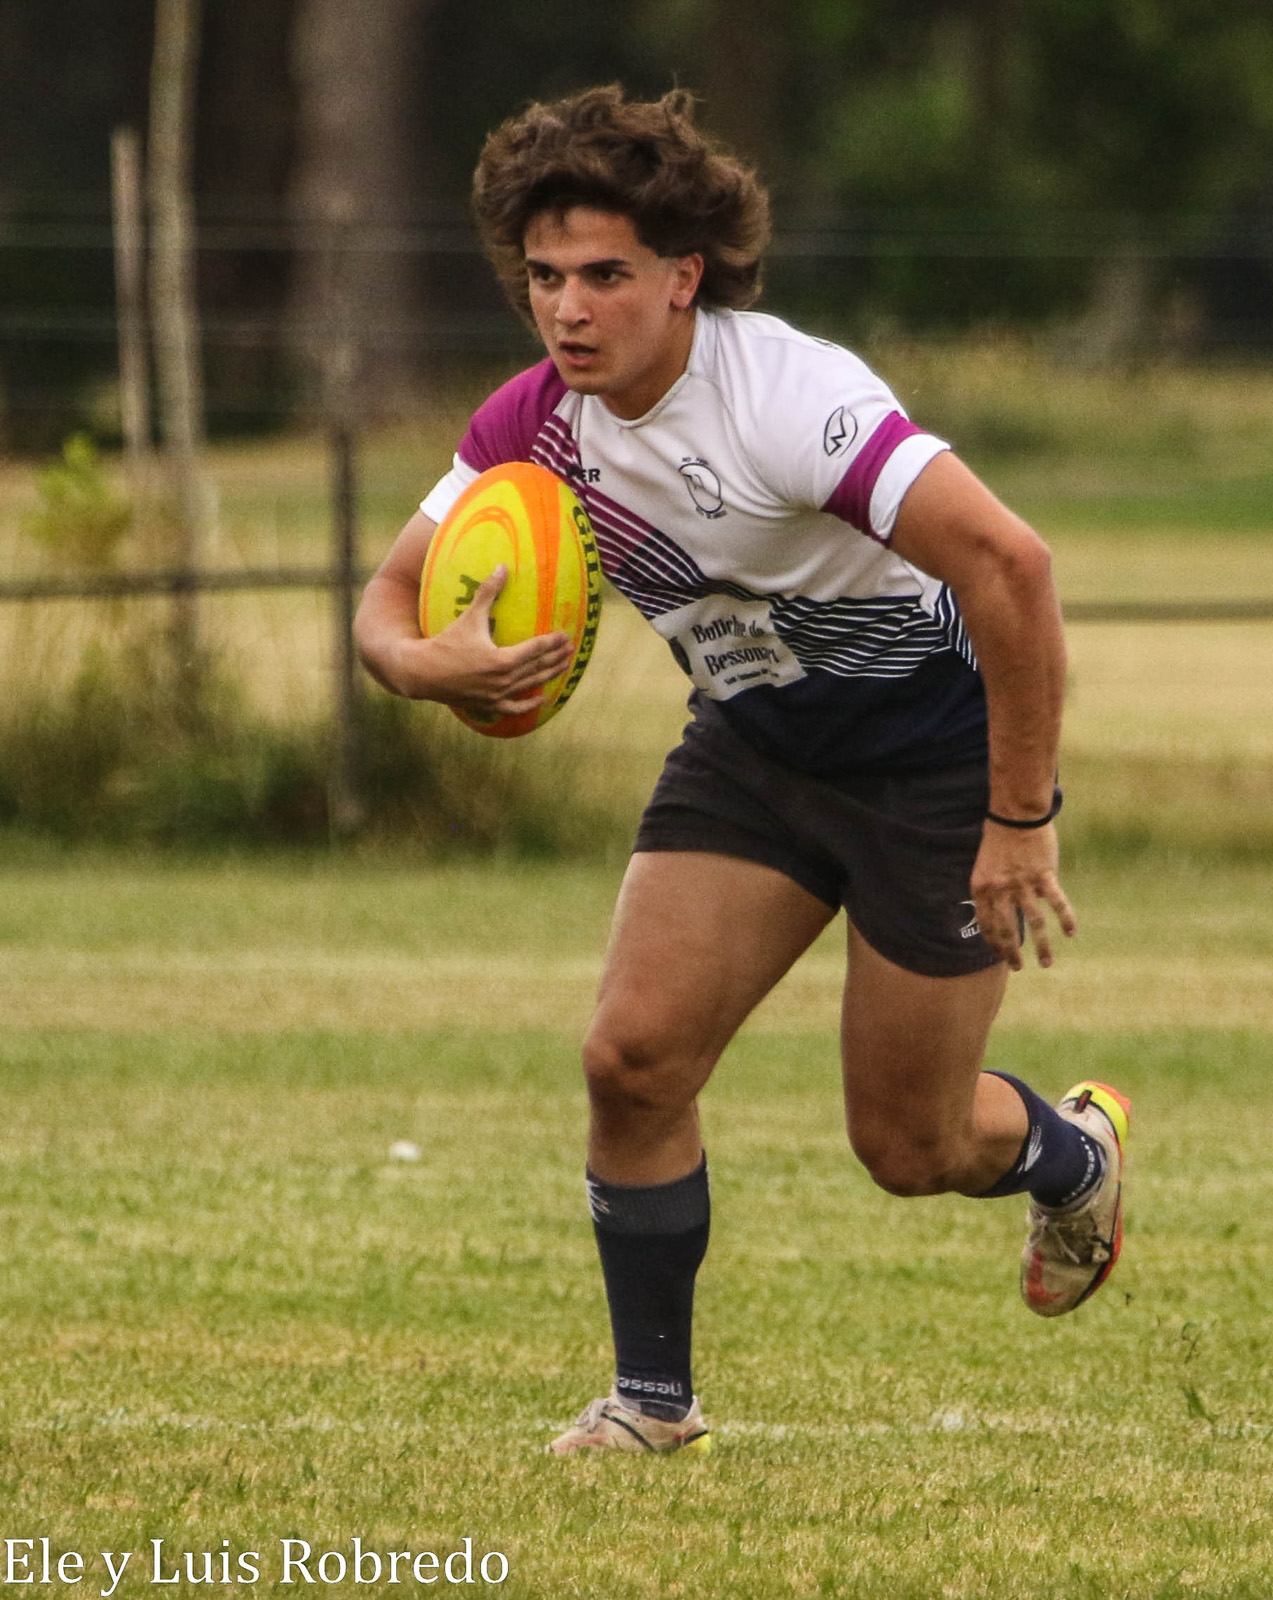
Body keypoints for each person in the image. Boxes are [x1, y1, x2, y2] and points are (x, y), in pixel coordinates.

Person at [354, 85, 1131, 1458]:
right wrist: (429, 668)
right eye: (544, 277)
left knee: (910, 1147)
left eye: (605, 276)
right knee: (631, 1057)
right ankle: (652, 1403)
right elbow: (384, 605)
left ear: (682, 277)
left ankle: (1073, 1157)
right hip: (757, 751)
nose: (569, 311)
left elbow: (1014, 566)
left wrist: (1021, 816)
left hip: (932, 763)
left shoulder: (790, 401)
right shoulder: (536, 424)